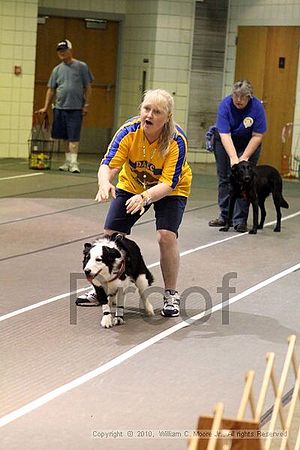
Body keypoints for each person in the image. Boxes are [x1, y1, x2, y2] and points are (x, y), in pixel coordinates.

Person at [76, 89, 192, 317]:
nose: (149, 115)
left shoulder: (176, 140)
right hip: (132, 185)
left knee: (166, 236)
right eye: (146, 109)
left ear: (167, 117)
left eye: (156, 112)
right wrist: (104, 183)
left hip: (170, 189)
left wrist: (145, 197)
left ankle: (170, 294)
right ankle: (100, 290)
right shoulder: (128, 132)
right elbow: (108, 164)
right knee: (110, 234)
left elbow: (168, 183)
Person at [208, 80, 267, 232]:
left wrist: (244, 157)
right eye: (236, 96)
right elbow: (224, 133)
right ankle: (224, 216)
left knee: (246, 180)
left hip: (249, 141)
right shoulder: (225, 105)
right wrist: (234, 158)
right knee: (225, 178)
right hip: (225, 140)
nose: (238, 100)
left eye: (243, 97)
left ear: (250, 97)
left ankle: (240, 220)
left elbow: (258, 135)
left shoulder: (257, 108)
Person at [37, 39, 93, 173]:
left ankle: (74, 162)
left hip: (75, 108)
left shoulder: (81, 67)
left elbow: (88, 87)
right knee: (64, 136)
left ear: (70, 51)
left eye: (64, 50)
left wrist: (86, 104)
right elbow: (51, 89)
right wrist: (45, 107)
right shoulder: (57, 70)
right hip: (60, 108)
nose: (62, 53)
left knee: (73, 136)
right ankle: (67, 161)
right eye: (59, 51)